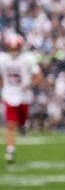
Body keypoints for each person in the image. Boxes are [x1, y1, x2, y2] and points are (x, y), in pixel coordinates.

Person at [0, 34, 41, 164]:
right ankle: (10, 151)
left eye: (16, 48)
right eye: (11, 48)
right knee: (11, 124)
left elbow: (38, 76)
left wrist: (29, 85)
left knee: (22, 122)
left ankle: (23, 126)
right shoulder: (2, 59)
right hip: (9, 93)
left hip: (24, 96)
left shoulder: (28, 58)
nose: (14, 51)